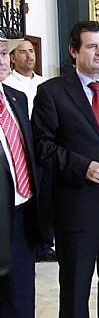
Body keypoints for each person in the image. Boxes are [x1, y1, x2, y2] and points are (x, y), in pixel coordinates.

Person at [31, 21, 99, 318]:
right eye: (91, 46)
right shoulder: (51, 92)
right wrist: (83, 167)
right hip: (76, 204)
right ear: (73, 51)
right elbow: (42, 146)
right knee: (76, 286)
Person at [0, 38, 46, 318]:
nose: (1, 60)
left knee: (20, 296)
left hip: (22, 211)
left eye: (3, 53)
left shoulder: (14, 98)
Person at [3, 39, 55, 264]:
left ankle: (43, 242)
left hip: (28, 176)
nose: (29, 56)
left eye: (3, 53)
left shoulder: (20, 96)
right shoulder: (14, 87)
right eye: (21, 52)